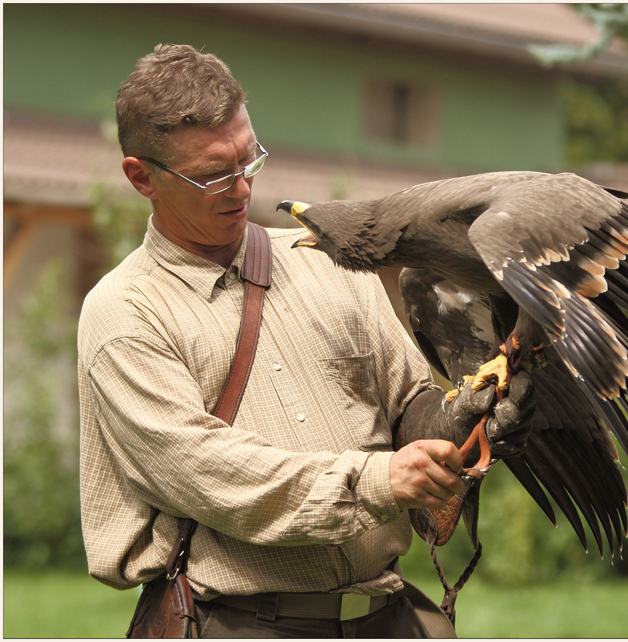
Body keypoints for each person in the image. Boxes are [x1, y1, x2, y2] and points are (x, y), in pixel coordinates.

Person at [78, 43, 533, 638]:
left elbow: (405, 402)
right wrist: (380, 480)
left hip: (386, 615)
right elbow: (212, 475)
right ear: (142, 177)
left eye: (250, 160)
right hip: (237, 623)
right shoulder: (126, 314)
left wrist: (460, 418)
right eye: (214, 175)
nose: (241, 189)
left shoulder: (321, 260)